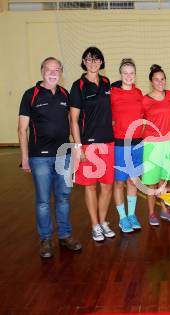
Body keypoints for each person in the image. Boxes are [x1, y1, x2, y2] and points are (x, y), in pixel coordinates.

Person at [18, 57, 81, 258]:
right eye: (49, 69)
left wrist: (76, 149)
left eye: (57, 69)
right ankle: (45, 240)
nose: (53, 73)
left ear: (61, 72)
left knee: (63, 197)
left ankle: (65, 236)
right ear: (41, 71)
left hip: (64, 155)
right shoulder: (31, 95)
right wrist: (25, 157)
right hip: (40, 157)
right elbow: (22, 129)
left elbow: (72, 122)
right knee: (44, 201)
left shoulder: (65, 94)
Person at [69, 47, 116, 242]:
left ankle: (103, 221)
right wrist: (78, 146)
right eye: (89, 59)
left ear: (101, 62)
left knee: (107, 186)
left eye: (96, 59)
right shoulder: (78, 86)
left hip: (108, 142)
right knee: (90, 186)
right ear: (84, 61)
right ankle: (95, 225)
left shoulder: (106, 82)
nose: (93, 62)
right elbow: (73, 119)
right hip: (88, 145)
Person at [110, 58, 144, 233]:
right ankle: (122, 218)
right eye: (125, 73)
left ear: (135, 75)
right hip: (120, 144)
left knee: (133, 180)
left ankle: (131, 215)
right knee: (119, 182)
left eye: (131, 73)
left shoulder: (139, 93)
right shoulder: (113, 93)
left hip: (138, 144)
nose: (128, 76)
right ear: (120, 74)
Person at [142, 64, 170, 226]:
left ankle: (163, 209)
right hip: (152, 145)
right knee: (151, 180)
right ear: (151, 82)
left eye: (162, 79)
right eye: (156, 80)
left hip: (168, 143)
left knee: (164, 180)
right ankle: (151, 213)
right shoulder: (145, 100)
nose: (160, 82)